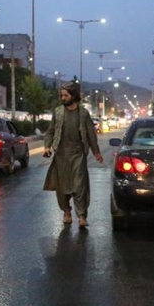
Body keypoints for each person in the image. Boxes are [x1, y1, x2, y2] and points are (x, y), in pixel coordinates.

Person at [43, 82, 104, 227]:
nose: (63, 98)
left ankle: (82, 216)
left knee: (79, 186)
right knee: (62, 188)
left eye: (66, 95)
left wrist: (96, 152)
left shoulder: (83, 113)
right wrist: (47, 146)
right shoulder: (58, 112)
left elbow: (90, 134)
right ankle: (66, 211)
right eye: (61, 95)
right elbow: (50, 131)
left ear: (73, 96)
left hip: (78, 155)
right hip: (61, 156)